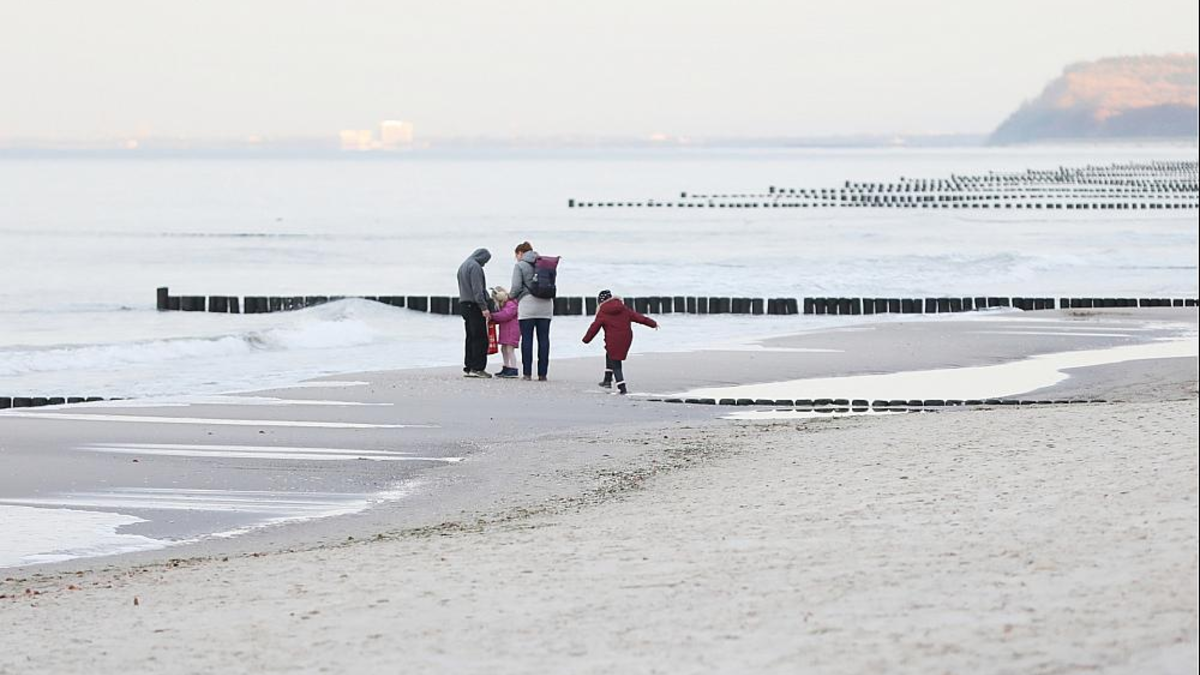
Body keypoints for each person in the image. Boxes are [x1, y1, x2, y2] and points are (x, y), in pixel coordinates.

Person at [582, 289, 658, 394]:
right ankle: (607, 380)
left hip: (613, 339)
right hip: (626, 338)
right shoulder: (623, 308)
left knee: (616, 362)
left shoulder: (602, 312)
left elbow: (594, 328)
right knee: (610, 354)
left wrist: (586, 339)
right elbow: (638, 317)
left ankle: (622, 388)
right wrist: (652, 323)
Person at [509, 241, 553, 381]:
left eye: (516, 255)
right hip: (546, 304)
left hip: (528, 305)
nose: (516, 258)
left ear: (520, 253)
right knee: (544, 339)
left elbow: (516, 287)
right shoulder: (544, 264)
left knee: (527, 339)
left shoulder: (520, 265)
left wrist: (509, 297)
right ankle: (542, 374)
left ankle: (527, 373)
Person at [456, 248, 492, 378]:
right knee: (480, 338)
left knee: (470, 337)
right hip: (474, 306)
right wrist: (484, 307)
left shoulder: (463, 265)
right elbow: (477, 290)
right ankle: (478, 368)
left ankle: (469, 366)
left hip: (464, 304)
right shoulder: (475, 267)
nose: (484, 264)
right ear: (481, 257)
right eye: (485, 261)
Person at [489, 286, 520, 378]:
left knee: (510, 350)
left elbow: (505, 315)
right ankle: (506, 367)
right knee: (504, 349)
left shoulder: (511, 304)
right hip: (506, 330)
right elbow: (503, 317)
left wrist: (492, 316)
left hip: (512, 330)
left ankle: (514, 369)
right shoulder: (506, 304)